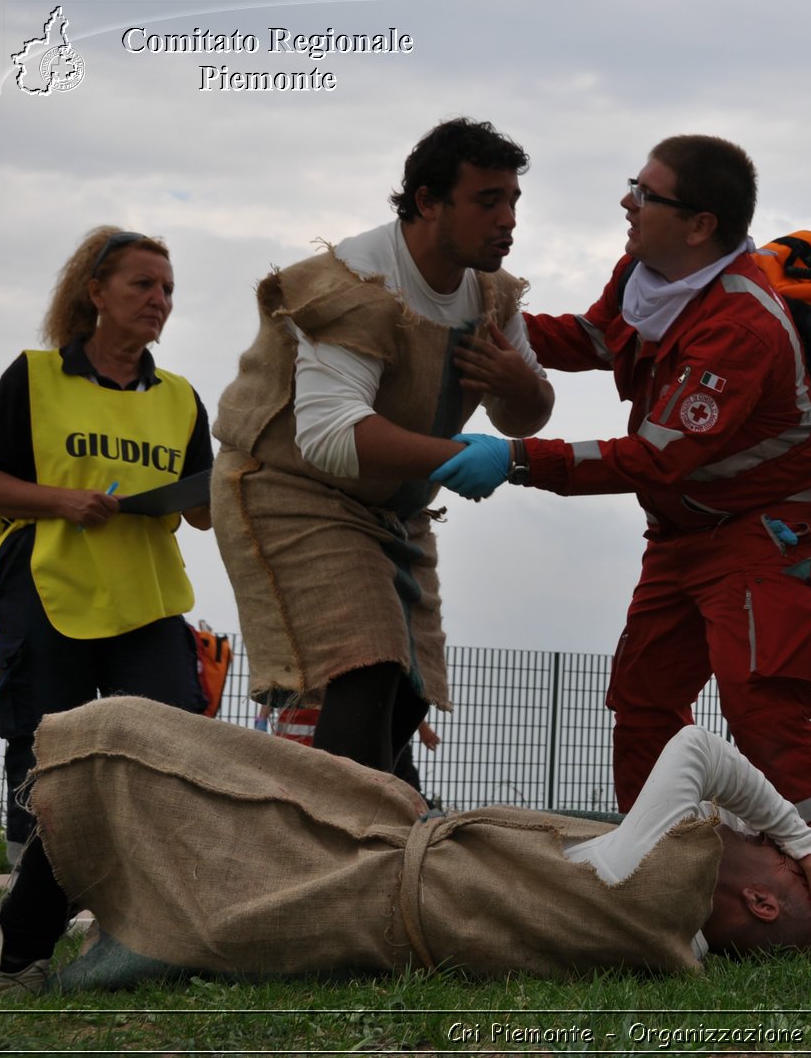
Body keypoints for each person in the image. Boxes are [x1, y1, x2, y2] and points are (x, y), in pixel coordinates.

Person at [430, 135, 811, 897]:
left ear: (699, 225)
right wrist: (495, 327)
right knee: (641, 700)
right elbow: (599, 338)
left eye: (645, 192)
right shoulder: (647, 275)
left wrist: (519, 458)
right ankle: (655, 879)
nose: (626, 202)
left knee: (763, 708)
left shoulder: (742, 325)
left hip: (766, 530)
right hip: (682, 531)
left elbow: (659, 454)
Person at [0, 696, 811, 995]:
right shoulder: (674, 945)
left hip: (363, 874)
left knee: (124, 742)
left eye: (780, 864)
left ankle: (20, 951)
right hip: (377, 868)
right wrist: (801, 870)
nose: (748, 833)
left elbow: (700, 750)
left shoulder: (644, 868)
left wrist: (799, 833)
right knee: (193, 872)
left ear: (760, 899)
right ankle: (34, 946)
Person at [210, 118, 554, 773]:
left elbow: (523, 415)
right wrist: (452, 457)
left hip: (393, 509)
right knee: (368, 670)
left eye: (514, 200)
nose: (508, 219)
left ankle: (355, 832)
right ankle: (351, 850)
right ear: (428, 200)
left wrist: (524, 387)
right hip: (294, 493)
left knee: (409, 695)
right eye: (489, 200)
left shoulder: (491, 294)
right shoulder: (356, 286)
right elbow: (331, 436)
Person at [0, 226, 212, 871]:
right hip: (47, 584)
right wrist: (63, 500)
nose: (159, 299)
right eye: (142, 284)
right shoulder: (34, 377)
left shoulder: (181, 397)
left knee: (168, 737)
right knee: (44, 742)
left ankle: (150, 884)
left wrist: (232, 488)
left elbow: (202, 512)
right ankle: (30, 898)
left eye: (168, 289)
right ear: (96, 292)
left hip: (146, 594)